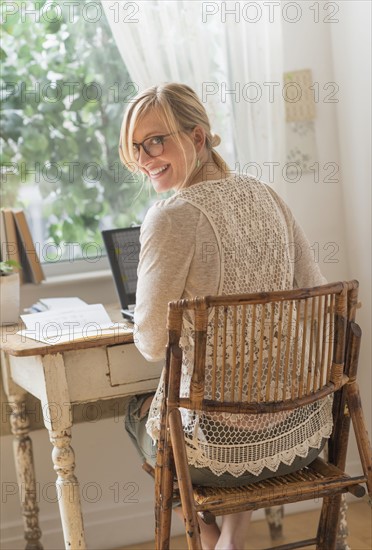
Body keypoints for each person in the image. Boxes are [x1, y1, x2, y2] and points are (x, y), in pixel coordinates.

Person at [119, 83, 331, 550]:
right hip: (303, 434)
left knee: (137, 417)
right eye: (136, 146)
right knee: (238, 400)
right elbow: (316, 291)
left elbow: (152, 344)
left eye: (157, 139)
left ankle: (211, 537)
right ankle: (231, 535)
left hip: (221, 453)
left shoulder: (171, 215)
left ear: (197, 138)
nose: (144, 157)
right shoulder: (267, 194)